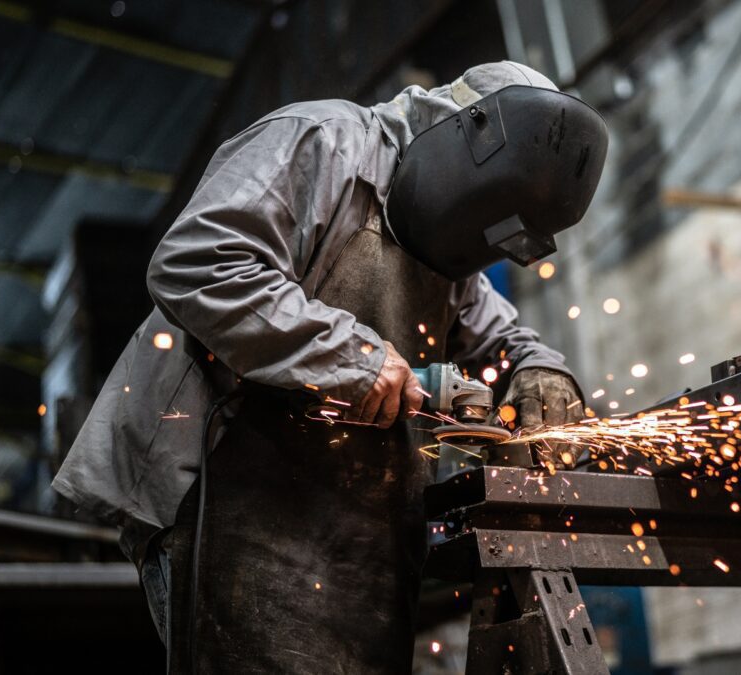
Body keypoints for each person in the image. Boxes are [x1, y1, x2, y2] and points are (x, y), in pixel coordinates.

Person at [52, 61, 607, 672]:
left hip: (360, 537)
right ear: (459, 139)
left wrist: (540, 374)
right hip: (232, 502)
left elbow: (506, 338)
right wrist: (353, 358)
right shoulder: (324, 142)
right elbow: (197, 262)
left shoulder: (451, 251)